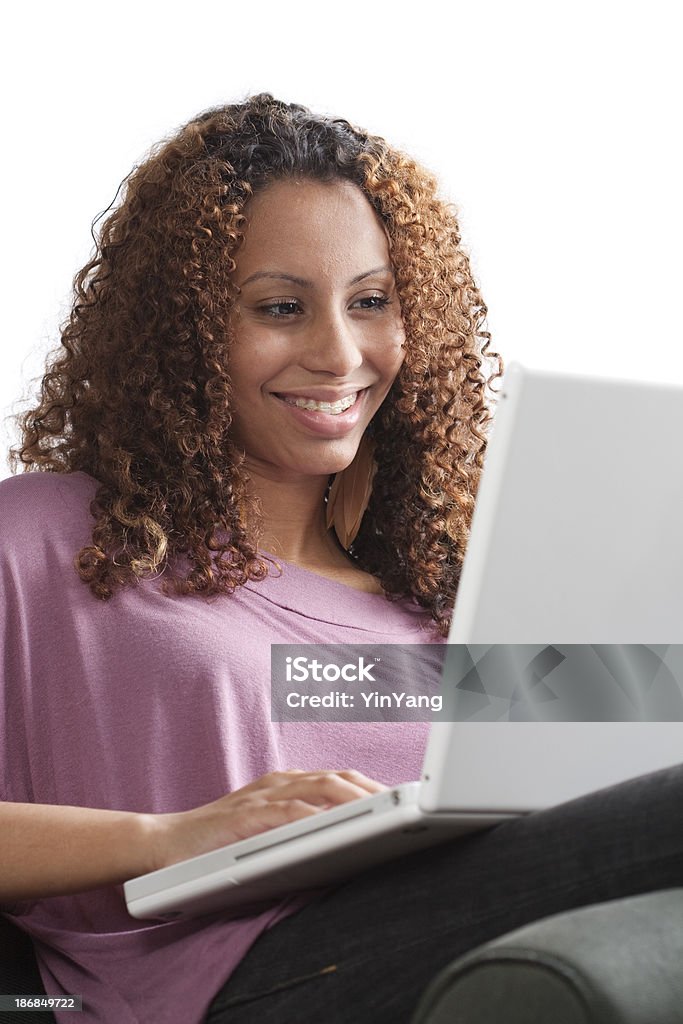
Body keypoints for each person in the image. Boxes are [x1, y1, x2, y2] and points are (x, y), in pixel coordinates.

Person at [1, 92, 682, 1024]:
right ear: (180, 332)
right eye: (281, 307)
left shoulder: (438, 599)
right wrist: (173, 837)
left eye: (371, 302)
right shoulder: (51, 538)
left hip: (491, 950)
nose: (337, 351)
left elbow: (612, 776)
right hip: (230, 973)